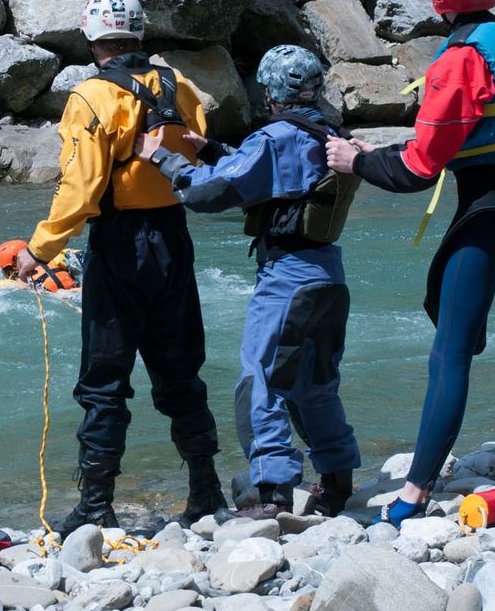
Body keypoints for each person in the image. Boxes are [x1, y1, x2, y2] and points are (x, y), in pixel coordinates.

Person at [325, 0, 495, 527]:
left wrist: (354, 161)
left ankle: (410, 497)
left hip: (486, 215)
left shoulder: (459, 60)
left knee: (450, 356)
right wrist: (377, 153)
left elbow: (417, 170)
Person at [13, 0, 228, 534]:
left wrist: (40, 249)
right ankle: (206, 489)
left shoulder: (89, 96)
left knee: (105, 377)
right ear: (140, 34)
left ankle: (96, 505)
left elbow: (80, 189)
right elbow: (200, 154)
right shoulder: (183, 87)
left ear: (92, 38)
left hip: (120, 245)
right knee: (180, 370)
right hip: (174, 239)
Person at [134, 44, 362, 519]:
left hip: (287, 280)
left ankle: (274, 492)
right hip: (329, 275)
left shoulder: (273, 137)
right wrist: (214, 151)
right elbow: (279, 179)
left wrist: (163, 159)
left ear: (271, 91)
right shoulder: (328, 133)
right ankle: (338, 482)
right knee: (315, 384)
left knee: (261, 382)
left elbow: (207, 193)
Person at [0, 239, 79, 292]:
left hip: (53, 297)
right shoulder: (57, 257)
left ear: (10, 269)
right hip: (76, 291)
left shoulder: (15, 283)